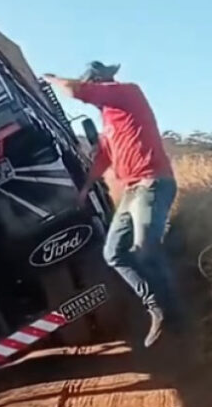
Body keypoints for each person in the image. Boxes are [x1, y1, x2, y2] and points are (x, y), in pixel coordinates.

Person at [45, 62, 179, 347]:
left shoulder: (126, 93)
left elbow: (72, 89)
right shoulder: (109, 121)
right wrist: (84, 189)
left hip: (153, 182)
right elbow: (104, 158)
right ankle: (155, 306)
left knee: (145, 248)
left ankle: (176, 312)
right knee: (113, 253)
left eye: (95, 84)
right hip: (133, 191)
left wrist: (51, 79)